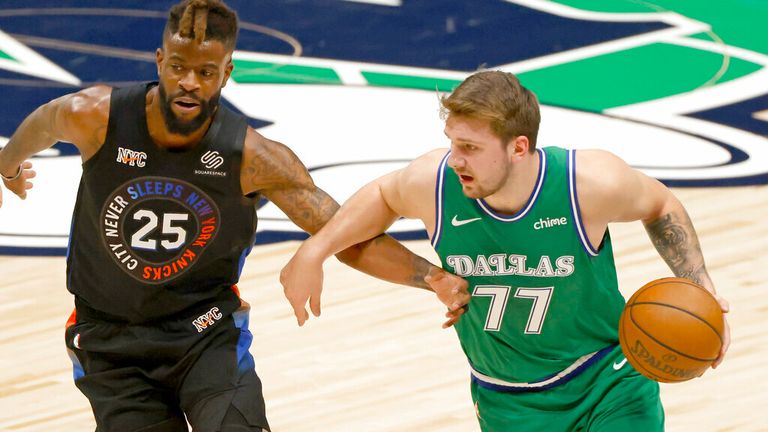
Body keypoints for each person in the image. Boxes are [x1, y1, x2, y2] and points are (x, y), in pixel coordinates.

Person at [0, 1, 469, 431]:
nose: (189, 82)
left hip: (204, 335)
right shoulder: (96, 116)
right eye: (179, 67)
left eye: (206, 72)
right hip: (108, 343)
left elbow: (343, 233)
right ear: (160, 61)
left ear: (227, 74)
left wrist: (432, 278)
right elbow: (43, 121)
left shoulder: (255, 157)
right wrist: (8, 166)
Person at [280, 70, 731, 431]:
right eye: (453, 143)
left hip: (606, 378)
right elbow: (380, 198)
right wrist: (313, 252)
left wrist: (700, 285)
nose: (454, 159)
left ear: (519, 148)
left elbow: (660, 204)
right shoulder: (434, 183)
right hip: (507, 398)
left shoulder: (587, 184)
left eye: (470, 148)